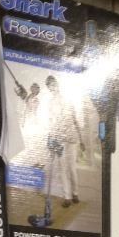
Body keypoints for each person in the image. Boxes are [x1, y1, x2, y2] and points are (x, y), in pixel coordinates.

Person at [45, 76, 84, 207]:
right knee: (62, 168)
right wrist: (50, 140)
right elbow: (51, 122)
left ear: (57, 84)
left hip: (71, 137)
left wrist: (81, 139)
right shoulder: (50, 103)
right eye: (49, 86)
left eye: (53, 84)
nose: (52, 88)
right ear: (48, 88)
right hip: (58, 138)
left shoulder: (68, 100)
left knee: (72, 167)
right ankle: (67, 197)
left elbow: (75, 119)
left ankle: (75, 194)